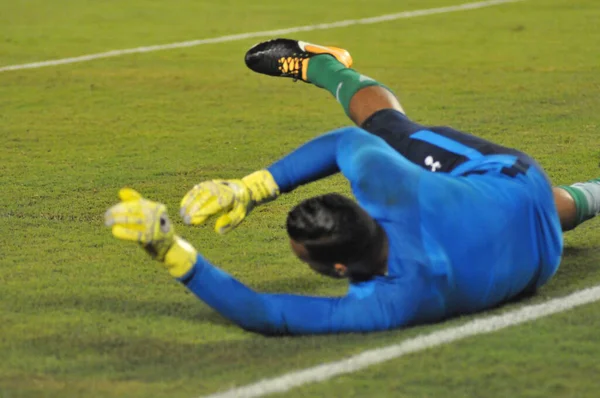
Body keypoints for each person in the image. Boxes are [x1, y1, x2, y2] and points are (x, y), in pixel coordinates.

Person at [105, 39, 599, 335]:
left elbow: (262, 313)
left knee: (394, 132)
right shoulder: (396, 192)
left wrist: (169, 248)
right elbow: (346, 141)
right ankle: (326, 64)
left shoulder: (389, 305)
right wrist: (251, 188)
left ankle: (322, 63)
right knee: (388, 133)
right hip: (516, 181)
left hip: (542, 258)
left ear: (337, 269)